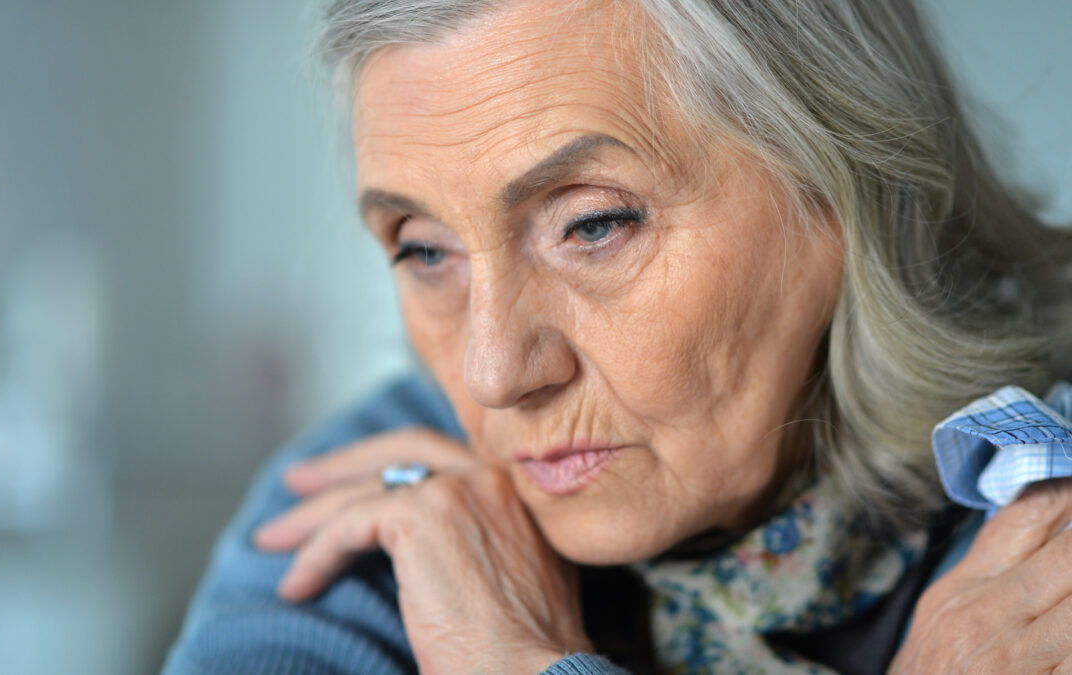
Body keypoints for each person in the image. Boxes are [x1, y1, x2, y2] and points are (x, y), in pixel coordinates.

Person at [164, 0, 1072, 672]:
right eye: (426, 250)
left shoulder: (1040, 533)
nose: (494, 372)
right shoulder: (370, 516)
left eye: (592, 225)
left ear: (844, 191)